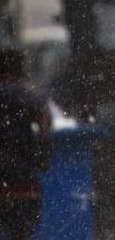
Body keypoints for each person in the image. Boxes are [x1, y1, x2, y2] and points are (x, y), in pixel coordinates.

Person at [0, 48, 52, 240]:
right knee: (20, 232)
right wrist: (44, 157)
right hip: (22, 177)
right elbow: (44, 126)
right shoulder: (28, 95)